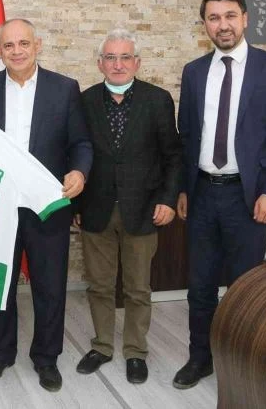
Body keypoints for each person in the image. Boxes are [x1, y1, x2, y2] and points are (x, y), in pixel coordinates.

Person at [173, 0, 266, 389]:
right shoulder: (194, 72)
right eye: (213, 18)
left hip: (249, 197)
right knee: (200, 286)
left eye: (229, 16)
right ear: (205, 25)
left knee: (246, 288)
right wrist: (184, 189)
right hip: (202, 194)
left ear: (245, 18)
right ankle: (200, 359)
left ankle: (245, 364)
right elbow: (187, 136)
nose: (222, 25)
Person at [0, 18, 93, 392]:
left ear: (38, 45)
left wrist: (80, 171)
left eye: (24, 43)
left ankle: (46, 358)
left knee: (50, 285)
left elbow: (81, 143)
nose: (17, 51)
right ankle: (0, 353)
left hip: (47, 203)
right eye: (8, 45)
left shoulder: (65, 88)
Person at [74, 29, 182, 384]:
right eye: (110, 58)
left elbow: (173, 156)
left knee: (137, 288)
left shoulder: (158, 100)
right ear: (100, 63)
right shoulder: (85, 101)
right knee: (99, 286)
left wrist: (168, 199)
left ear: (137, 62)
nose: (117, 64)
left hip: (144, 209)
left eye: (124, 58)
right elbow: (76, 153)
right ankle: (102, 346)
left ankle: (136, 351)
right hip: (96, 209)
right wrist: (76, 203)